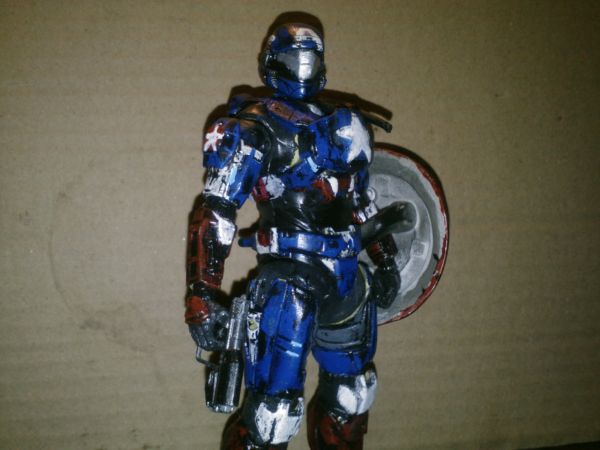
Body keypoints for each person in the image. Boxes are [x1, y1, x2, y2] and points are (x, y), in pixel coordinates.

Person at [185, 23, 400, 450]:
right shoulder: (255, 125)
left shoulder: (345, 125)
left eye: (309, 59)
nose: (301, 67)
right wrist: (201, 294)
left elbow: (361, 203)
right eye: (291, 58)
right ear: (271, 62)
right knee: (273, 415)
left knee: (353, 396)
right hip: (289, 282)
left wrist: (386, 260)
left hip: (347, 278)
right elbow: (216, 210)